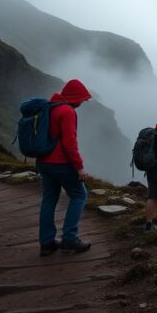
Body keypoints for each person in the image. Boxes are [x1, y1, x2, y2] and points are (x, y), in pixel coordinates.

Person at [37, 79, 92, 256]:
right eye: (82, 99)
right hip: (60, 163)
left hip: (43, 161)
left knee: (49, 200)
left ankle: (46, 243)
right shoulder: (67, 111)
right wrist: (79, 166)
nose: (83, 103)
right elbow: (69, 143)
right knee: (79, 195)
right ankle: (70, 239)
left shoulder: (50, 107)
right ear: (75, 97)